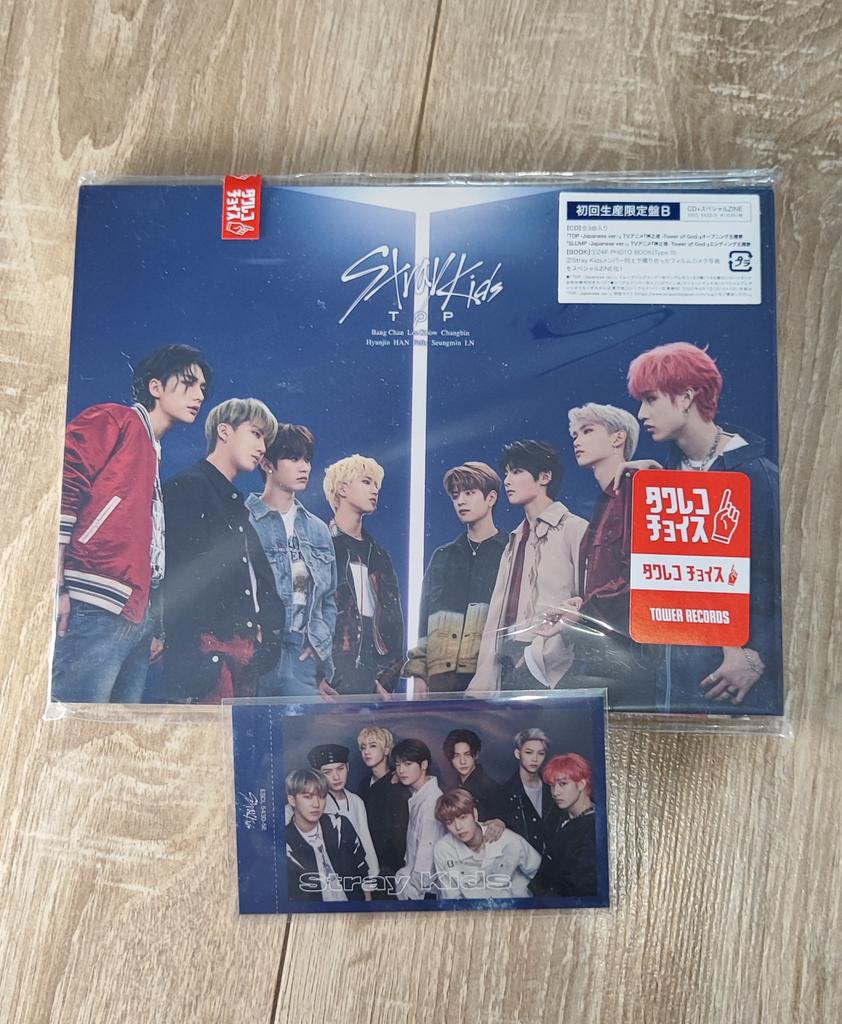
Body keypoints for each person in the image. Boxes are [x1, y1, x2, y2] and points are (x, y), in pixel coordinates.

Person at [627, 341, 782, 713]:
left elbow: (789, 581)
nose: (641, 413)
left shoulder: (758, 478)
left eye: (650, 399)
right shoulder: (663, 476)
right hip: (670, 689)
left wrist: (760, 654)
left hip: (731, 695)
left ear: (686, 397)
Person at [52, 344, 212, 704]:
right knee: (83, 720)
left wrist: (153, 621)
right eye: (188, 383)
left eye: (203, 388)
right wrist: (57, 585)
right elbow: (61, 485)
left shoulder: (153, 449)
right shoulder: (115, 419)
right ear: (155, 387)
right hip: (96, 603)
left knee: (118, 728)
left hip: (137, 615)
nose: (199, 395)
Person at [161, 398, 285, 703]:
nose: (262, 447)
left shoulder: (235, 505)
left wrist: (263, 640)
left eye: (265, 440)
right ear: (225, 431)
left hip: (241, 663)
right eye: (256, 434)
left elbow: (259, 582)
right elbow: (180, 580)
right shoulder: (189, 487)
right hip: (205, 662)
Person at [537, 402, 660, 709]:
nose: (577, 440)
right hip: (603, 652)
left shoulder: (637, 490)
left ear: (618, 438)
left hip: (633, 658)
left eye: (587, 431)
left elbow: (645, 577)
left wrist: (583, 610)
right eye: (574, 434)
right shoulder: (603, 505)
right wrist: (579, 604)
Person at [468, 440, 587, 692]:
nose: (507, 481)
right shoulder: (515, 540)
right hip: (507, 662)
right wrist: (484, 677)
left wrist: (537, 656)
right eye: (506, 473)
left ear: (544, 477)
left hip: (552, 664)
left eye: (517, 471)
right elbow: (495, 616)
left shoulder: (574, 529)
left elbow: (588, 602)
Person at [246, 424, 338, 697]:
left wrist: (319, 642)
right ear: (267, 464)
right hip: (256, 654)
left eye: (307, 459)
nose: (304, 467)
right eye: (294, 458)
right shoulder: (244, 520)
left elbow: (329, 598)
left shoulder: (318, 530)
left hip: (302, 657)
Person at [403, 461, 507, 693]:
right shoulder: (443, 556)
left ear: (491, 498)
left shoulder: (509, 551)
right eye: (455, 495)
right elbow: (425, 617)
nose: (460, 501)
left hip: (489, 675)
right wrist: (419, 674)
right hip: (440, 679)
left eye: (469, 493)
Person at [323, 454, 404, 695]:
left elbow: (394, 627)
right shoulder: (321, 547)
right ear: (342, 489)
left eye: (376, 485)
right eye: (367, 482)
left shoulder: (379, 556)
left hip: (371, 681)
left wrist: (385, 682)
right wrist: (317, 678)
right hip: (331, 678)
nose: (375, 490)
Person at [433, 788, 541, 900]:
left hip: (518, 907)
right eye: (449, 822)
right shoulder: (443, 849)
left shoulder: (508, 840)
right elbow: (451, 897)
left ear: (475, 814)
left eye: (463, 817)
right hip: (472, 909)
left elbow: (542, 875)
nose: (458, 827)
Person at [285, 768, 368, 903]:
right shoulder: (285, 844)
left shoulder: (340, 825)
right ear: (292, 800)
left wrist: (366, 906)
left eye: (322, 796)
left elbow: (362, 868)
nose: (316, 804)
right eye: (308, 797)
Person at [305, 744, 379, 887]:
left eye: (340, 768)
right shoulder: (315, 805)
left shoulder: (356, 801)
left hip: (359, 873)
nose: (336, 777)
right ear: (317, 774)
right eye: (327, 772)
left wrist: (372, 875)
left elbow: (365, 839)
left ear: (348, 767)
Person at [356, 727, 411, 897]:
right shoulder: (364, 783)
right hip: (366, 864)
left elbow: (399, 840)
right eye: (363, 747)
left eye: (373, 746)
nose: (366, 752)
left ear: (387, 750)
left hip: (389, 871)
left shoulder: (397, 786)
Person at [393, 739, 446, 900]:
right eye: (398, 764)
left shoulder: (431, 802)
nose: (401, 770)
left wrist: (411, 889)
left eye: (408, 764)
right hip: (415, 883)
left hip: (422, 891)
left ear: (423, 765)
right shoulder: (419, 794)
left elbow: (426, 858)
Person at [542, 753, 598, 899]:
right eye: (552, 786)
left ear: (581, 784)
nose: (555, 792)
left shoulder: (593, 828)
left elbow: (579, 888)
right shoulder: (559, 815)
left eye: (563, 784)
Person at [501, 728, 553, 861]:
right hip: (523, 865)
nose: (535, 759)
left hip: (554, 864)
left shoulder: (553, 788)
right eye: (529, 752)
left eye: (540, 753)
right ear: (517, 753)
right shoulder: (504, 793)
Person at [442, 728, 507, 826]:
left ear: (476, 755)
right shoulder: (450, 791)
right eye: (457, 756)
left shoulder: (492, 789)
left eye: (467, 754)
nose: (462, 761)